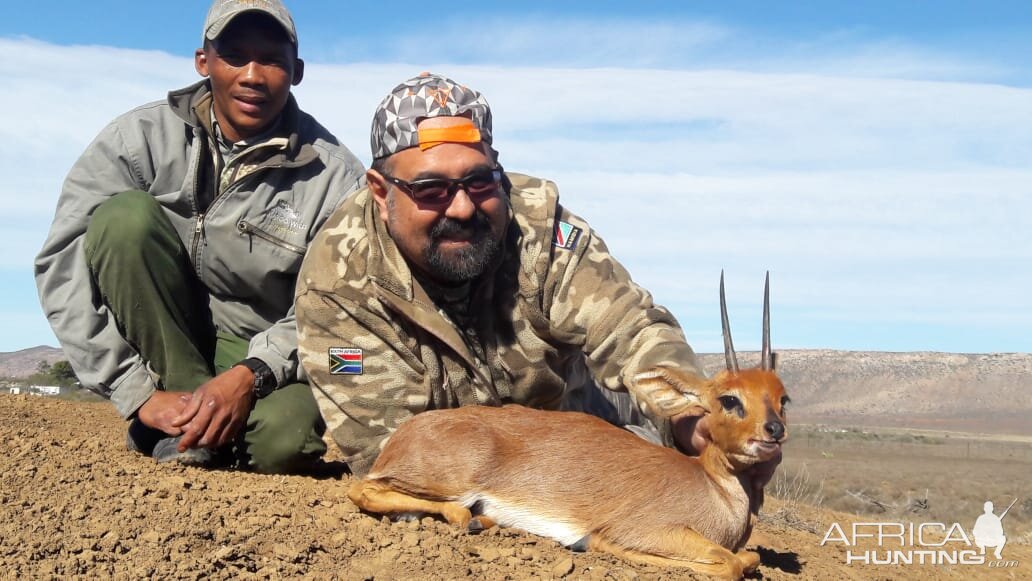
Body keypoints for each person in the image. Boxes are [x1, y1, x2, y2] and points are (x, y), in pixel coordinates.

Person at [296, 73, 778, 497]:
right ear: (381, 193)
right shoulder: (338, 283)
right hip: (490, 467)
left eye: (480, 182)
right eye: (432, 191)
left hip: (578, 423)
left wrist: (692, 420)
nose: (462, 208)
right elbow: (393, 452)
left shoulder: (544, 232)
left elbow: (629, 327)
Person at [34, 0, 364, 473]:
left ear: (297, 72)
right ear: (203, 62)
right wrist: (135, 392)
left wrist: (251, 376)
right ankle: (180, 421)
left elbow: (338, 308)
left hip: (261, 349)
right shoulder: (137, 139)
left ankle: (179, 428)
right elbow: (60, 262)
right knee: (123, 219)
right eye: (234, 55)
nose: (253, 75)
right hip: (168, 338)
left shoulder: (335, 177)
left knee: (282, 445)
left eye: (272, 59)